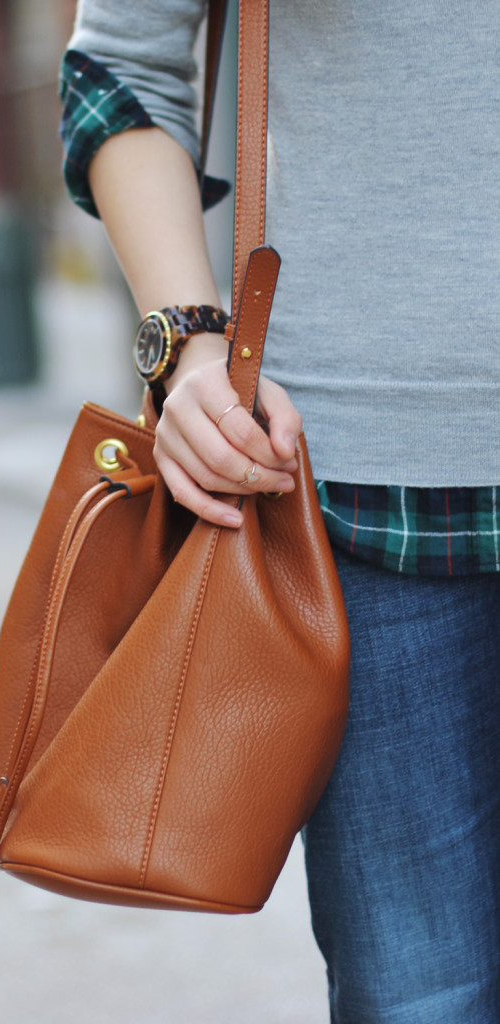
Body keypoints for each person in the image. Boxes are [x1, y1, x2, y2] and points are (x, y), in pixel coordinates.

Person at [58, 1, 500, 1019]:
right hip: (361, 503)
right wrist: (187, 347)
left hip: (356, 476)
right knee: (426, 998)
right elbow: (119, 69)